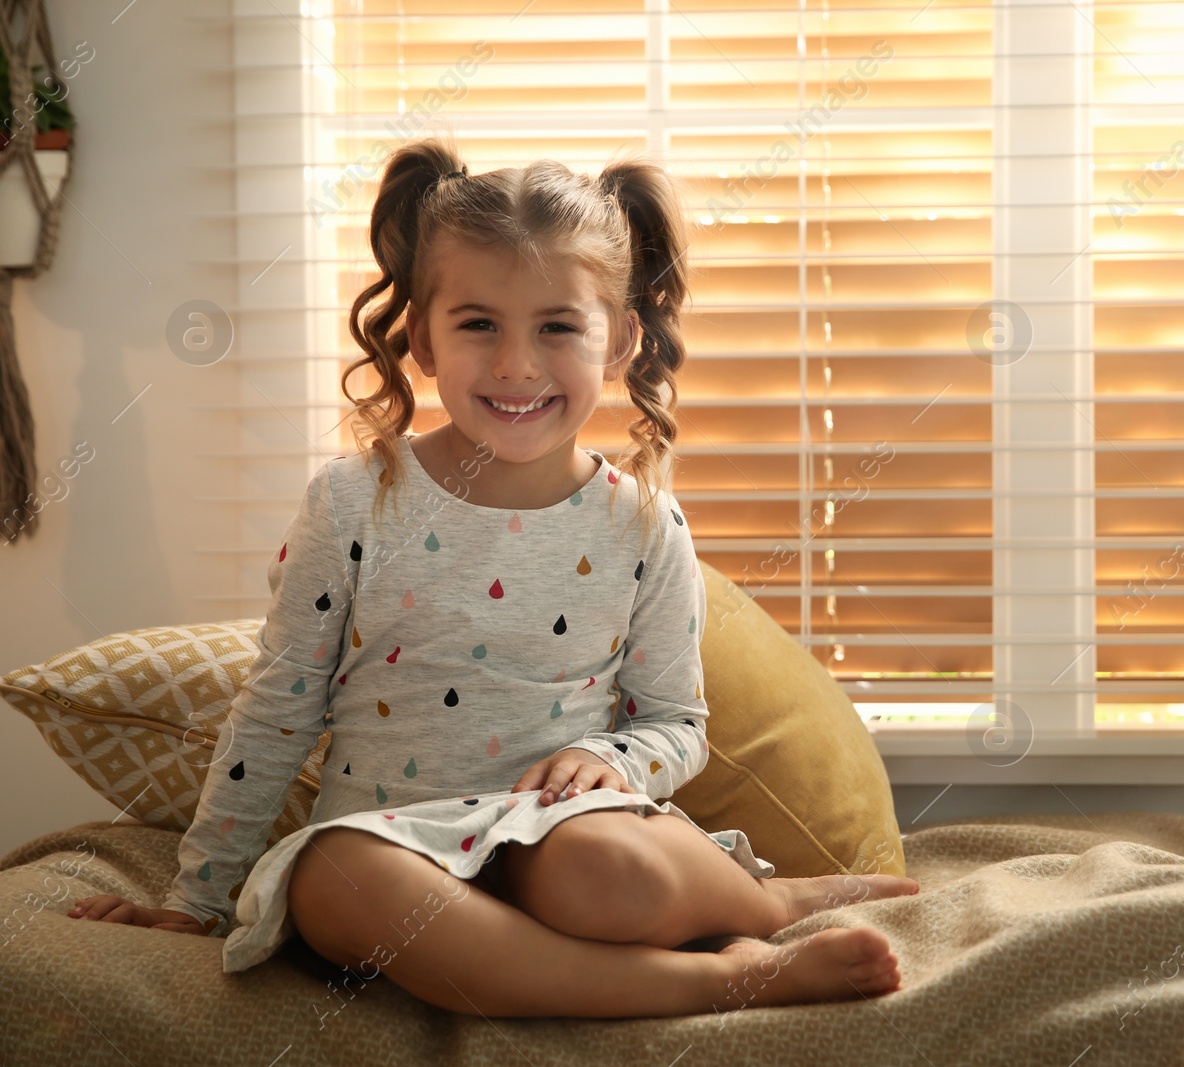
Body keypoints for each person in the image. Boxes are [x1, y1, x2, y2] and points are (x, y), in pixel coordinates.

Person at [67, 137, 919, 1018]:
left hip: (559, 838)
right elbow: (278, 708)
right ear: (422, 340)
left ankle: (771, 902)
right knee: (328, 879)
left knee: (601, 867)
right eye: (478, 324)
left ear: (620, 339)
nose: (517, 365)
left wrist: (606, 757)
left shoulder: (642, 525)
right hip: (392, 845)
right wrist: (195, 899)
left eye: (558, 326)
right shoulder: (351, 503)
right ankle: (730, 978)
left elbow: (675, 725)